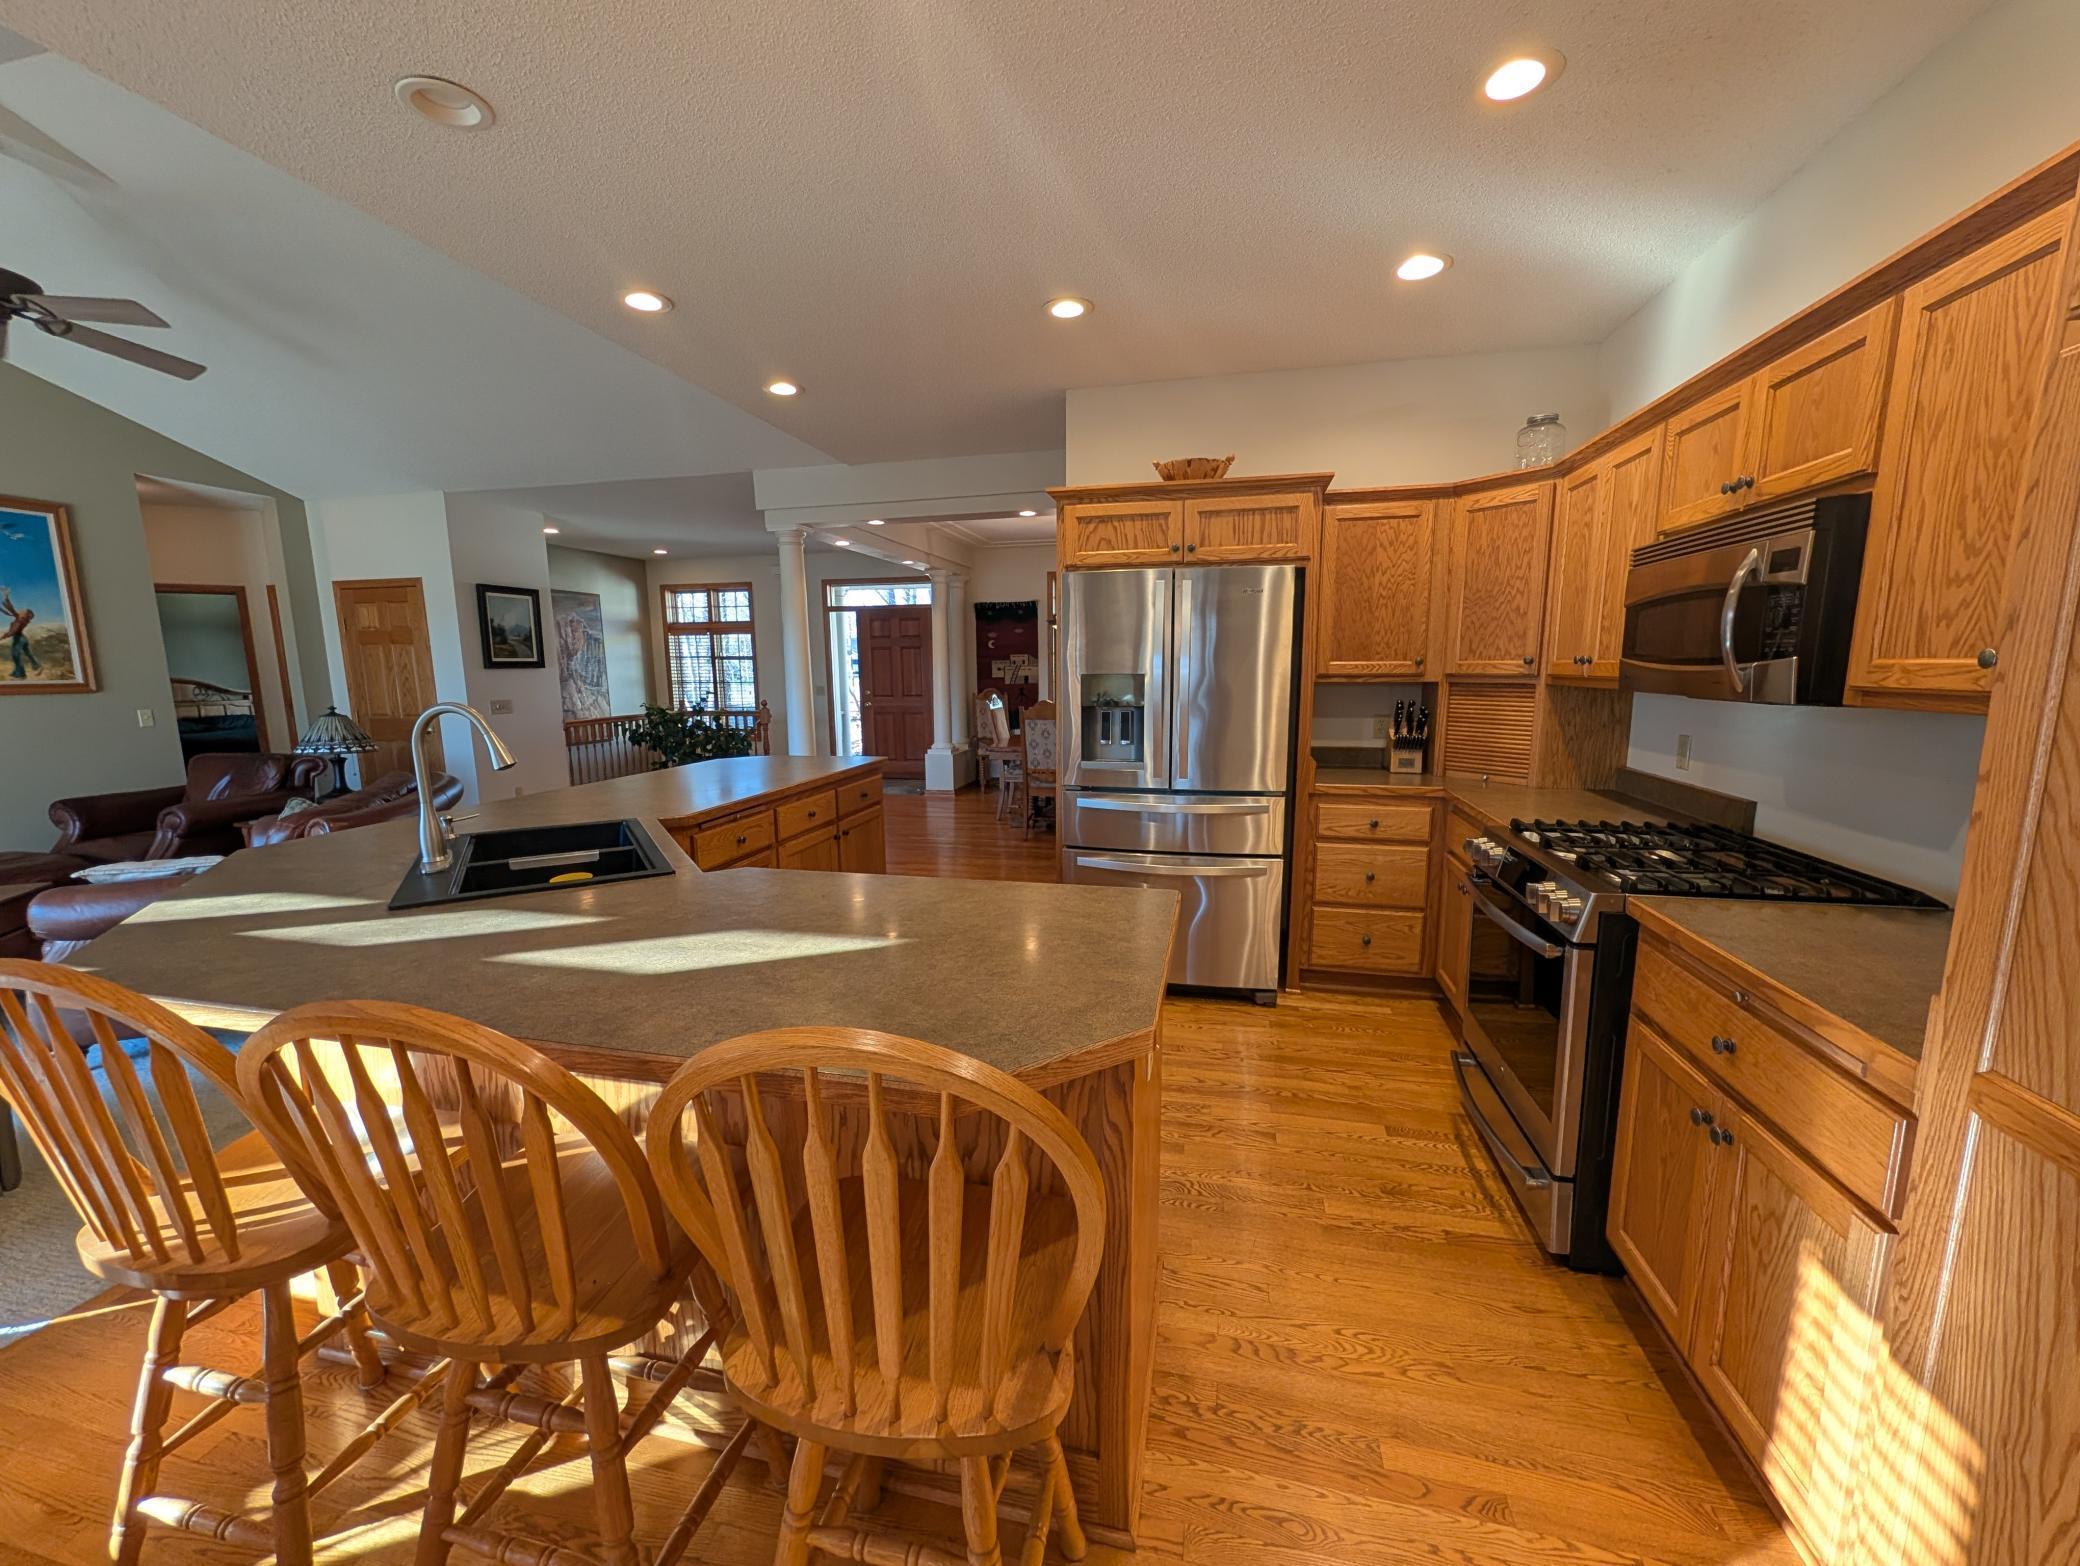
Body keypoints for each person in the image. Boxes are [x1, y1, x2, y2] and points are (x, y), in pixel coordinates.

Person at [2, 587, 38, 678]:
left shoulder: (19, 619)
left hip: (18, 638)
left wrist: (4, 636)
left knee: (16, 656)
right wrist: (6, 598)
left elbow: (13, 631)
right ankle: (35, 666)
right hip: (22, 638)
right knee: (27, 653)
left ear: (24, 615)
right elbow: (11, 609)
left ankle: (20, 674)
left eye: (23, 611)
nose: (21, 610)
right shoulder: (22, 619)